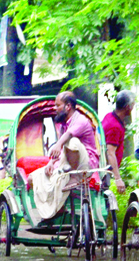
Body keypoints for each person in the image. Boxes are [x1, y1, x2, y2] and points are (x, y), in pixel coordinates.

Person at [29, 91, 98, 219]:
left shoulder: (81, 120)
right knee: (32, 179)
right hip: (65, 165)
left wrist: (58, 144)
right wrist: (51, 163)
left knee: (72, 142)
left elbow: (68, 137)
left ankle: (73, 177)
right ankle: (58, 209)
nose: (55, 109)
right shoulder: (63, 125)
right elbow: (62, 149)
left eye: (57, 105)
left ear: (68, 106)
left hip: (84, 165)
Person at [102, 90, 135, 194]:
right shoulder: (114, 126)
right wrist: (118, 178)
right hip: (103, 169)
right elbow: (110, 152)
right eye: (133, 105)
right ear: (127, 107)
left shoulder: (109, 117)